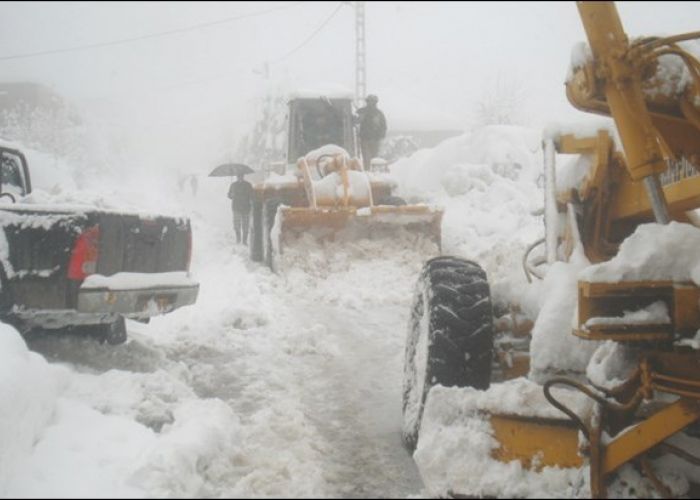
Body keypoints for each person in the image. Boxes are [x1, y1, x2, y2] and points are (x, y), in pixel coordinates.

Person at [356, 94, 387, 170]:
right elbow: (354, 121)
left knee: (373, 158)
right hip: (366, 139)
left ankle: (372, 172)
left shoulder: (378, 113)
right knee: (368, 158)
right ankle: (369, 172)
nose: (371, 103)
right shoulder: (362, 111)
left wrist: (380, 136)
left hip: (372, 139)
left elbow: (384, 126)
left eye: (373, 102)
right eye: (370, 101)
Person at [228, 173, 254, 245]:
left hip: (246, 207)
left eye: (241, 176)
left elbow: (252, 195)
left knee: (245, 225)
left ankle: (244, 241)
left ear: (243, 176)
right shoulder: (233, 185)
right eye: (238, 176)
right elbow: (229, 195)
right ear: (237, 177)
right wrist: (231, 195)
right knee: (236, 224)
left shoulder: (248, 185)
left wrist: (251, 202)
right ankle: (238, 239)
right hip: (236, 207)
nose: (240, 178)